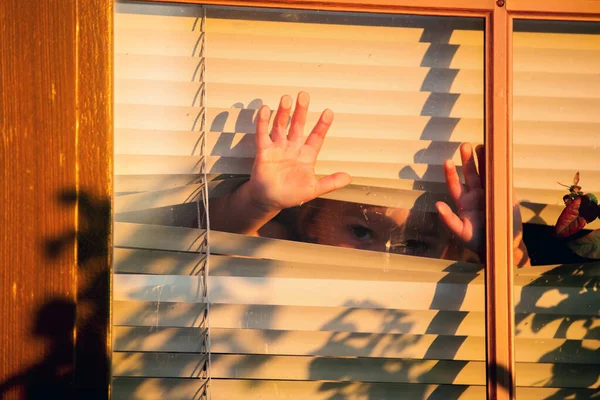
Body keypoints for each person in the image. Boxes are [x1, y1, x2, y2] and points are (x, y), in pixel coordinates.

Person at [209, 92, 530, 266]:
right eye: (362, 231)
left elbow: (518, 317)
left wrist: (501, 252)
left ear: (447, 252)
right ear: (312, 221)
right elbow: (218, 244)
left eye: (417, 244)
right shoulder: (287, 257)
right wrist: (256, 204)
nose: (385, 256)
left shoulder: (447, 286)